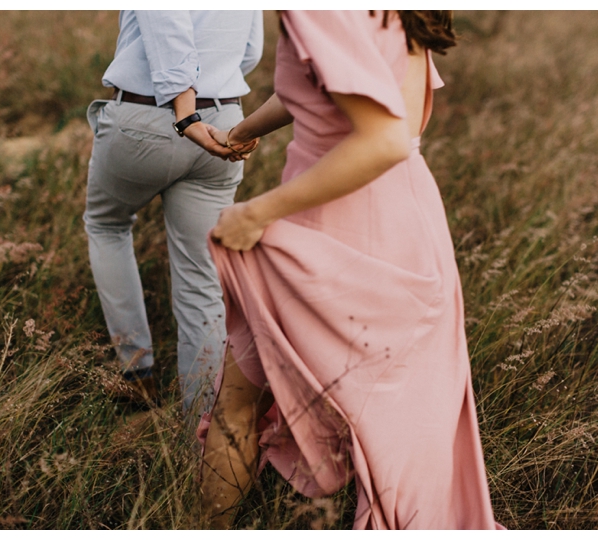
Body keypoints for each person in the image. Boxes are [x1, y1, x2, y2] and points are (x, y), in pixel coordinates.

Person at [196, 11, 503, 529]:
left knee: (237, 403)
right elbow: (336, 86)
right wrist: (243, 131)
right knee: (403, 426)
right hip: (408, 223)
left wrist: (256, 213)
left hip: (335, 226)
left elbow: (382, 140)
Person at [83, 11, 263, 412]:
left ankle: (137, 374)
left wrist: (185, 109)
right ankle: (200, 435)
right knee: (201, 276)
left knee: (107, 224)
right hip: (226, 119)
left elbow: (166, 20)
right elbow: (250, 53)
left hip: (149, 116)